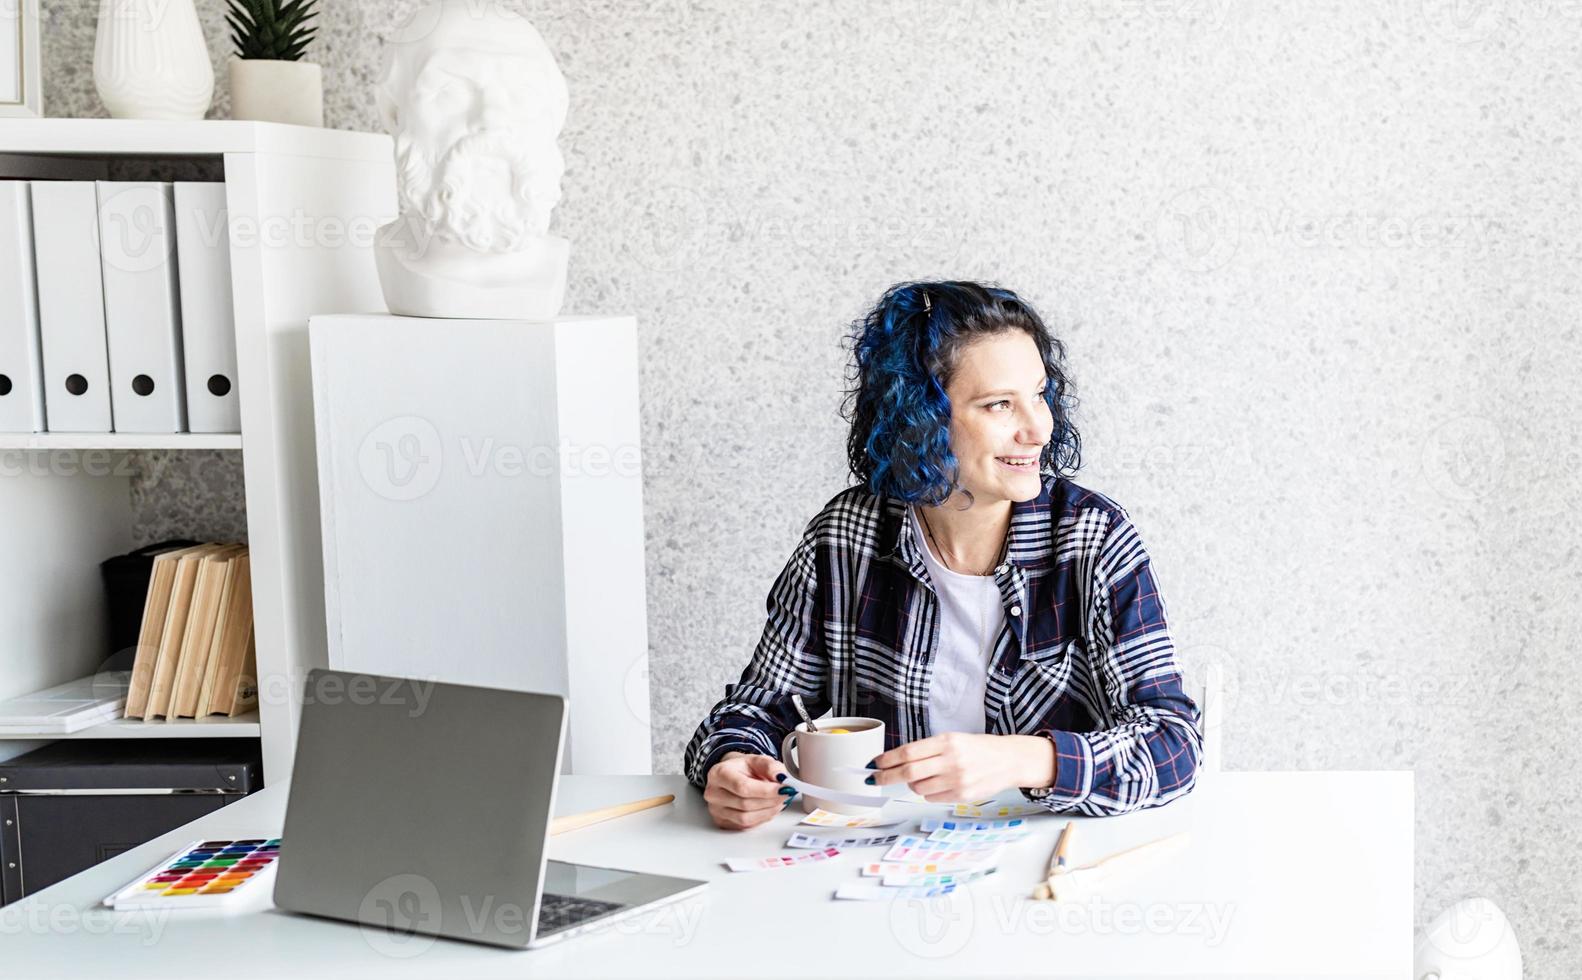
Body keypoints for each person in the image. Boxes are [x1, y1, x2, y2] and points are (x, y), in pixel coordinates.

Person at [683, 281, 1201, 830]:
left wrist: (1023, 759)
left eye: (1040, 395)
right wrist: (732, 766)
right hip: (890, 858)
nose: (1038, 428)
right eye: (1000, 404)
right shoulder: (844, 539)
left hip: (1050, 852)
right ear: (921, 418)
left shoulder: (1092, 537)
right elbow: (754, 710)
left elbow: (1173, 744)